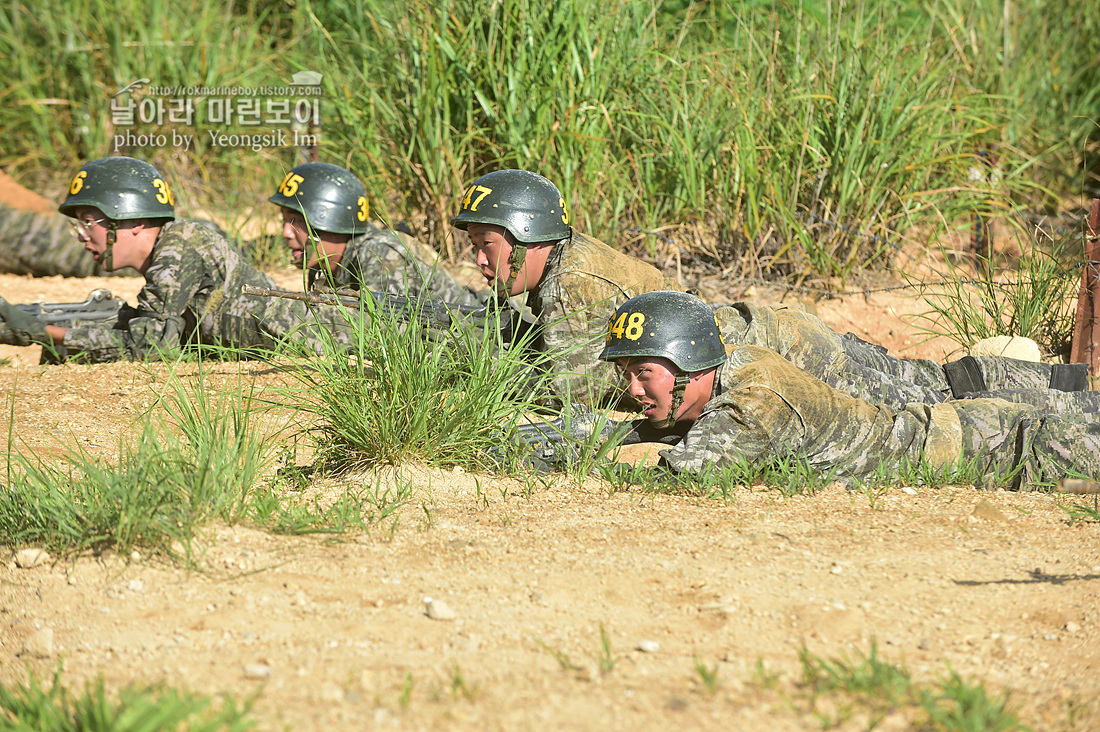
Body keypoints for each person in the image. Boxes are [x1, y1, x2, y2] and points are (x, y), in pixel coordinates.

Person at [597, 291, 1100, 487]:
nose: (635, 390)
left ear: (690, 364)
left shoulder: (755, 399)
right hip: (973, 434)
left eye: (645, 374)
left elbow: (681, 477)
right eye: (628, 376)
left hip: (995, 447)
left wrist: (576, 448)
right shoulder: (738, 371)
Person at [0, 156, 333, 362]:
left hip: (334, 339)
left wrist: (45, 333)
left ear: (132, 220)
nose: (83, 235)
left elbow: (148, 346)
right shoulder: (170, 249)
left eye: (89, 221)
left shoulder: (180, 247)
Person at [451, 169, 681, 405]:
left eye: (486, 243)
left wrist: (470, 362)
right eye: (474, 245)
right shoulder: (566, 255)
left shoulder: (568, 283)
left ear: (527, 236)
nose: (479, 259)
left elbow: (568, 393)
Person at [715, 301, 1091, 412]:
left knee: (937, 406)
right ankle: (1069, 384)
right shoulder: (667, 300)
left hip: (797, 353)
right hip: (788, 328)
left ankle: (1074, 409)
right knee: (934, 380)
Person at [269, 162, 483, 307]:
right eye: (284, 220)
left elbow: (374, 332)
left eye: (296, 221)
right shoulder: (320, 265)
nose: (286, 232)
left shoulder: (382, 253)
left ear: (330, 220)